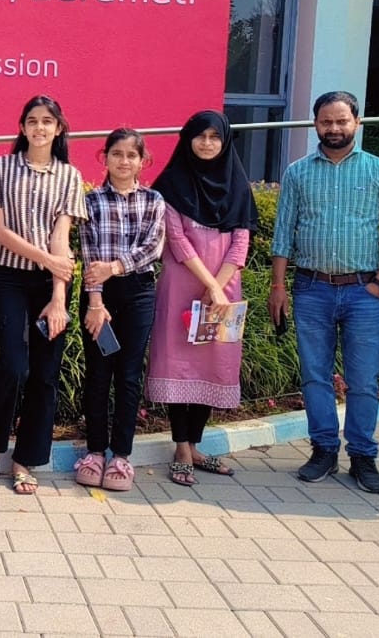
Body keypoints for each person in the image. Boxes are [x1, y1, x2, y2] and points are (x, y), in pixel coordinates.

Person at [268, 91, 379, 493]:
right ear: (315, 124)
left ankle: (363, 456)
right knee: (315, 376)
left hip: (363, 292)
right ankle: (324, 450)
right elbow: (283, 233)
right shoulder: (298, 172)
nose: (334, 128)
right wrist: (278, 286)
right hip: (311, 288)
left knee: (363, 379)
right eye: (326, 121)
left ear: (356, 123)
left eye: (342, 121)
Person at [0, 96, 87, 496]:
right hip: (10, 278)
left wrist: (58, 297)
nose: (40, 127)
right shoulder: (2, 167)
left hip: (51, 283)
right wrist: (47, 259)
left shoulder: (69, 175)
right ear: (22, 127)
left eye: (47, 121)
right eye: (33, 120)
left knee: (44, 374)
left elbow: (61, 238)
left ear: (59, 128)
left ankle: (25, 459)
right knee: (12, 366)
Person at [147, 110, 256, 487]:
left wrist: (218, 288)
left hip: (223, 293)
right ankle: (180, 447)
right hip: (182, 287)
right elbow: (176, 241)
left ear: (225, 141)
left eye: (214, 137)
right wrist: (210, 285)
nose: (207, 143)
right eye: (200, 136)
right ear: (187, 139)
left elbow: (240, 244)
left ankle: (195, 446)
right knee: (179, 364)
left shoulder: (238, 187)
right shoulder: (171, 184)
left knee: (213, 363)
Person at [74, 128, 166, 492]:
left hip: (138, 292)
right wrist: (96, 303)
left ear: (143, 161)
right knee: (98, 373)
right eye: (117, 154)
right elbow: (88, 253)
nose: (124, 161)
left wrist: (114, 267)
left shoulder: (154, 200)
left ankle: (121, 456)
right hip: (99, 295)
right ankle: (95, 451)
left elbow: (152, 248)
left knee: (128, 375)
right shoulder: (91, 201)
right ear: (105, 158)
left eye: (131, 155)